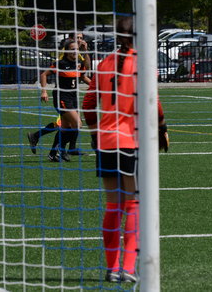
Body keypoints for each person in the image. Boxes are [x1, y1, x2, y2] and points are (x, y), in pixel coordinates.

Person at [82, 16, 168, 283]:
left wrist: (96, 134)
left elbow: (88, 104)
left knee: (112, 205)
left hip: (106, 142)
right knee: (133, 204)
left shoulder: (104, 63)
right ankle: (128, 268)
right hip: (132, 141)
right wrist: (162, 128)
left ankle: (111, 268)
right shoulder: (143, 63)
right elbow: (154, 104)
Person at [28, 32, 91, 156]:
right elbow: (44, 74)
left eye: (81, 38)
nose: (76, 50)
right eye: (77, 38)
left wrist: (96, 87)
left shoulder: (78, 62)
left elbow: (84, 73)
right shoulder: (61, 63)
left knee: (65, 127)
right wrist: (44, 91)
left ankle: (53, 151)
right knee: (76, 124)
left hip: (73, 97)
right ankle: (64, 149)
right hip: (62, 97)